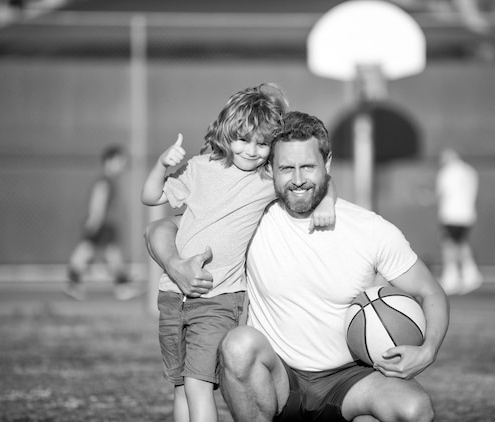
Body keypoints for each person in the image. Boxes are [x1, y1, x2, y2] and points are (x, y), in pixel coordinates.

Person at [146, 111, 450, 422]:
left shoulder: (371, 230)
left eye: (308, 166)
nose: (298, 179)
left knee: (414, 410)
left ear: (327, 164)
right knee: (238, 345)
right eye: (286, 168)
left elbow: (430, 292)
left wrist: (427, 351)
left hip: (350, 378)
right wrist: (174, 263)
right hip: (279, 377)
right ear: (270, 170)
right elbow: (161, 229)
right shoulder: (252, 217)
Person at [141, 86, 336, 422]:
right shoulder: (200, 167)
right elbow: (150, 196)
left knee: (197, 384)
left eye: (262, 144)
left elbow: (318, 178)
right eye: (243, 140)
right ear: (225, 133)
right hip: (172, 297)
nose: (252, 151)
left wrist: (328, 200)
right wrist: (161, 164)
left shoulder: (266, 179)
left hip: (219, 300)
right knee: (180, 386)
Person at [64, 145, 142, 301]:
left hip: (103, 225)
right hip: (101, 225)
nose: (122, 166)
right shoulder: (105, 182)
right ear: (109, 161)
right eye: (120, 161)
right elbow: (98, 203)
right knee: (102, 253)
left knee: (89, 252)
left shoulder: (109, 181)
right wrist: (94, 222)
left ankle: (75, 284)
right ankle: (122, 287)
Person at [436, 148, 482, 295]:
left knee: (449, 244)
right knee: (461, 243)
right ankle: (471, 274)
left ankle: (451, 278)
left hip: (451, 215)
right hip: (467, 214)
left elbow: (441, 193)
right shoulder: (470, 171)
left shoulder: (447, 172)